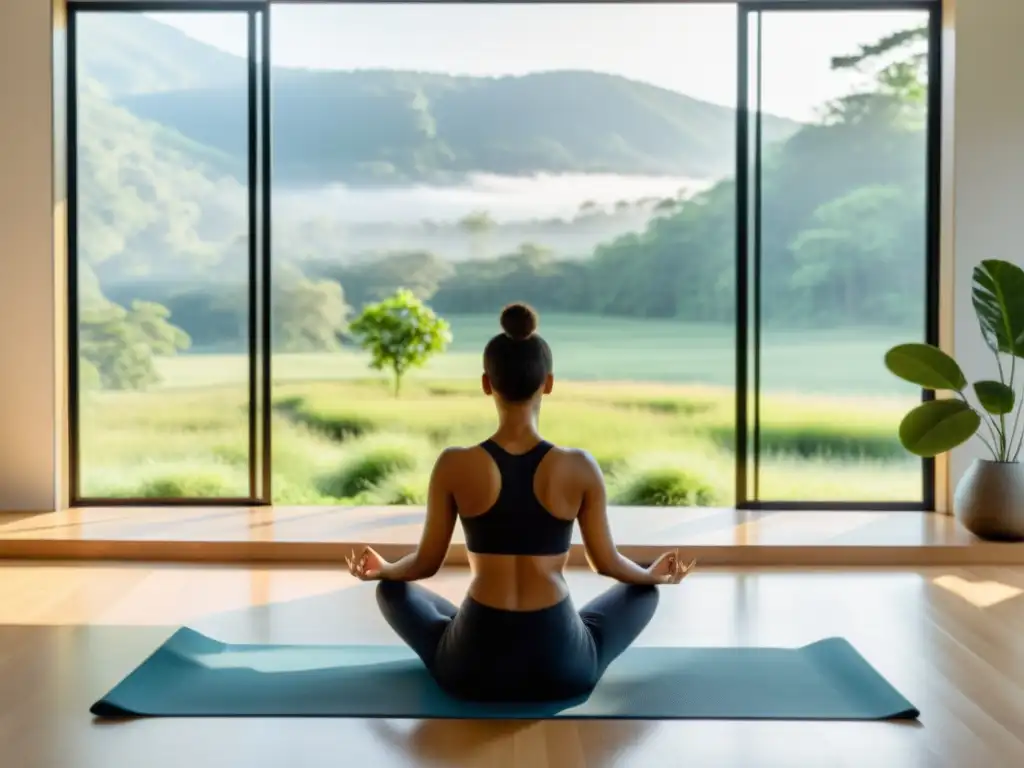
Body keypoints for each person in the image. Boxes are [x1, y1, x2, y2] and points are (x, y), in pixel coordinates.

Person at [346, 302, 695, 702]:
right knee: (642, 591)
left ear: (486, 383)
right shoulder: (579, 466)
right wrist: (654, 575)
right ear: (547, 383)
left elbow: (424, 565)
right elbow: (608, 564)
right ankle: (572, 637)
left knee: (392, 590)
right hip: (562, 667)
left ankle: (457, 628)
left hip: (472, 668)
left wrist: (385, 570)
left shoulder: (454, 464)